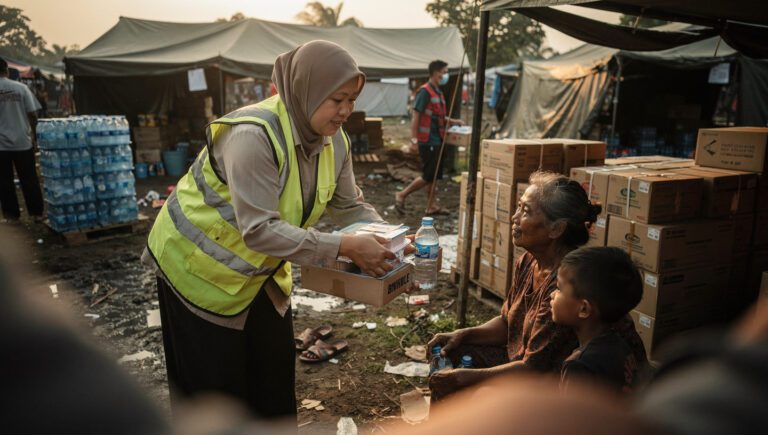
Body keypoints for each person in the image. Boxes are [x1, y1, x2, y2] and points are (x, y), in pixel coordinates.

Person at [143, 41, 399, 422]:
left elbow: (348, 206)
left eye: (352, 100)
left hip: (261, 274)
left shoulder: (335, 141)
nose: (347, 111)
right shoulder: (252, 136)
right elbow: (259, 231)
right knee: (215, 397)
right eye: (337, 100)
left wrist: (392, 243)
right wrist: (344, 245)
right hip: (196, 271)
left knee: (273, 388)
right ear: (306, 91)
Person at [427, 171, 647, 402]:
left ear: (556, 229)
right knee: (452, 351)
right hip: (534, 366)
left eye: (525, 211)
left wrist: (465, 378)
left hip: (556, 383)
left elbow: (534, 369)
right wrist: (462, 334)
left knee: (472, 386)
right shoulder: (529, 261)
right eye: (518, 207)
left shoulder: (568, 285)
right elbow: (508, 321)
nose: (514, 217)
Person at [552, 247, 643, 393]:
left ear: (584, 309)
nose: (552, 295)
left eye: (559, 289)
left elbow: (571, 415)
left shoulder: (580, 366)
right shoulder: (621, 346)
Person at [394, 60, 462, 215]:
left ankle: (431, 205)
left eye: (446, 72)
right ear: (435, 72)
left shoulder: (437, 92)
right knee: (428, 175)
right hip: (427, 141)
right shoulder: (425, 92)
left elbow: (438, 116)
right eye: (443, 72)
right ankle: (402, 194)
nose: (445, 75)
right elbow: (416, 116)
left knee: (434, 175)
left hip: (437, 139)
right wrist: (414, 140)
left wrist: (453, 121)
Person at [0, 57, 44, 223]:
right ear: (7, 69)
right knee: (29, 179)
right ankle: (37, 213)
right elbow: (33, 114)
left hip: (1, 146)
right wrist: (34, 137)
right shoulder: (21, 88)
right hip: (22, 142)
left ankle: (12, 217)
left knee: (4, 181)